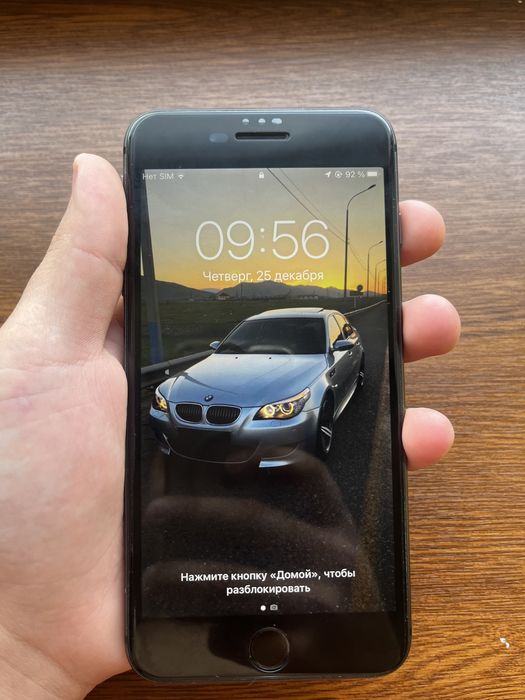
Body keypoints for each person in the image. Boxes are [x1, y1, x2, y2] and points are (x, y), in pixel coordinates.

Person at [0, 154, 461, 699]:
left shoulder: (335, 344)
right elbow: (173, 393)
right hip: (194, 417)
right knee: (170, 407)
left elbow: (304, 383)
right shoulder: (212, 358)